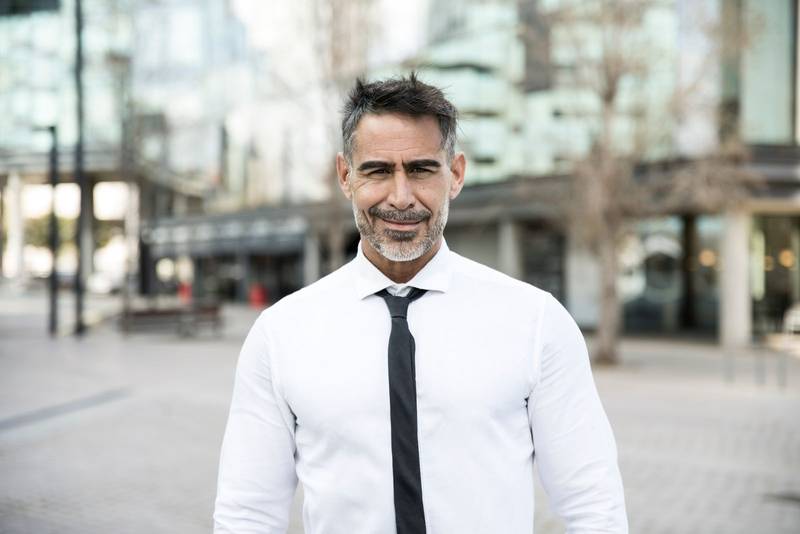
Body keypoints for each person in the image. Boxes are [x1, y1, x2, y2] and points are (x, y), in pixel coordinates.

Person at [214, 74, 627, 534]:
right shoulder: (281, 335)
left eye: (421, 169)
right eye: (377, 170)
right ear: (345, 176)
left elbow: (593, 504)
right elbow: (247, 515)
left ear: (456, 174)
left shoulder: (536, 322)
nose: (401, 196)